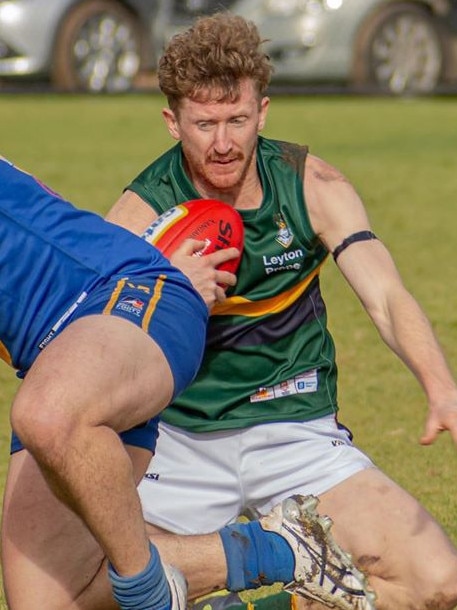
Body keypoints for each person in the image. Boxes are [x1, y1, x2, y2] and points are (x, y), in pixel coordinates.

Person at [103, 11, 457, 610]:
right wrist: (168, 296)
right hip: (178, 442)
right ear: (172, 122)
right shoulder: (141, 216)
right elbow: (95, 346)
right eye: (204, 123)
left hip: (297, 433)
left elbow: (386, 296)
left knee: (438, 583)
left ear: (262, 112)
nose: (223, 142)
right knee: (81, 587)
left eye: (238, 120)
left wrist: (441, 385)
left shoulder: (312, 185)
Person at [0, 157, 373, 610]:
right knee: (49, 601)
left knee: (46, 414)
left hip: (121, 295)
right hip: (60, 360)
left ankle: (153, 598)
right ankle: (283, 549)